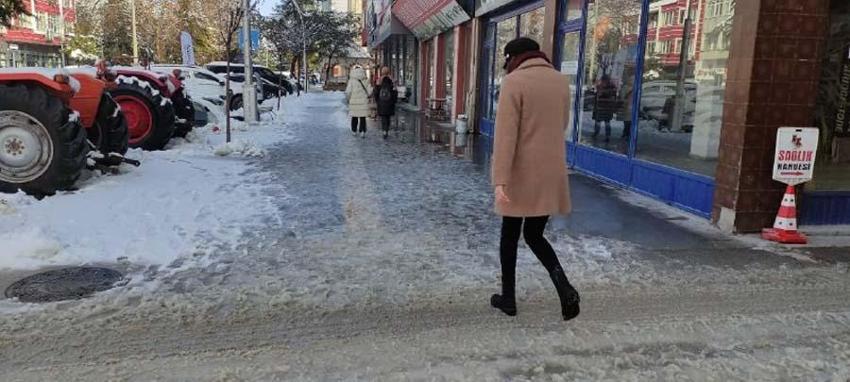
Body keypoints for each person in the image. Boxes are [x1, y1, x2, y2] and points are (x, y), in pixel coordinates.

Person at [490, 37, 580, 321]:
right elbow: (561, 125)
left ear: (514, 58)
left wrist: (500, 180)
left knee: (509, 235)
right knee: (534, 234)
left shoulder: (514, 82)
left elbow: (505, 137)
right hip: (550, 172)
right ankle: (564, 288)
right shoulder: (560, 81)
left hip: (520, 173)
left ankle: (508, 298)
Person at [345, 66, 372, 138]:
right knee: (362, 117)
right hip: (363, 101)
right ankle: (362, 131)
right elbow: (369, 91)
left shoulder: (351, 80)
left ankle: (354, 130)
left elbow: (348, 92)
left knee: (354, 116)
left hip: (354, 102)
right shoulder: (365, 80)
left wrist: (348, 99)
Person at [373, 66, 398, 139]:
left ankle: (384, 130)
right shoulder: (392, 80)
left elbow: (376, 92)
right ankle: (386, 129)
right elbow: (395, 92)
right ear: (388, 72)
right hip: (390, 102)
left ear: (382, 72)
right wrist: (394, 101)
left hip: (381, 102)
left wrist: (377, 100)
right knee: (388, 117)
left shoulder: (379, 81)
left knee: (383, 117)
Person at [593, 75, 618, 142]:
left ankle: (599, 134)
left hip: (602, 107)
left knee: (600, 122)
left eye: (602, 80)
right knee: (606, 122)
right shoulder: (612, 87)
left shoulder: (603, 87)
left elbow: (599, 95)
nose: (601, 81)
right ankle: (606, 136)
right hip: (606, 108)